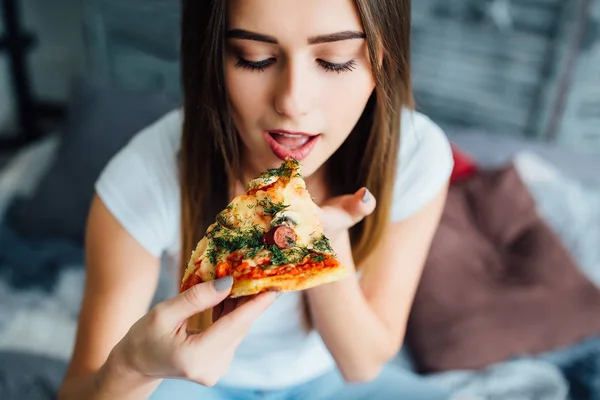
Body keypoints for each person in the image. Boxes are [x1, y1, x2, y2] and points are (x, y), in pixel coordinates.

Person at [58, 0, 456, 399]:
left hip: (329, 380)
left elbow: (362, 364)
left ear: (382, 58)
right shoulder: (142, 177)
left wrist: (322, 244)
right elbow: (79, 390)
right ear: (213, 58)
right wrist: (134, 366)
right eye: (256, 59)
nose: (292, 103)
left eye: (334, 61)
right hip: (191, 384)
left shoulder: (414, 155)